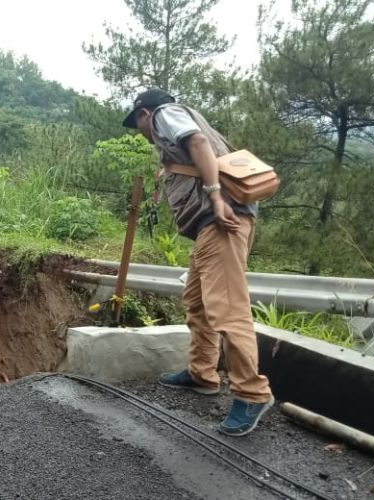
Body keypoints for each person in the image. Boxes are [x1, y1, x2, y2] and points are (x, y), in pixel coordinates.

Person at [123, 88, 273, 436]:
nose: (142, 132)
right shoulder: (182, 120)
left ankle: (252, 393)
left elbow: (198, 142)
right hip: (214, 227)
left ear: (145, 114)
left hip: (220, 222)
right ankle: (202, 372)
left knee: (227, 309)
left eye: (137, 124)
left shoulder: (164, 114)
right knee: (196, 300)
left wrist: (216, 197)